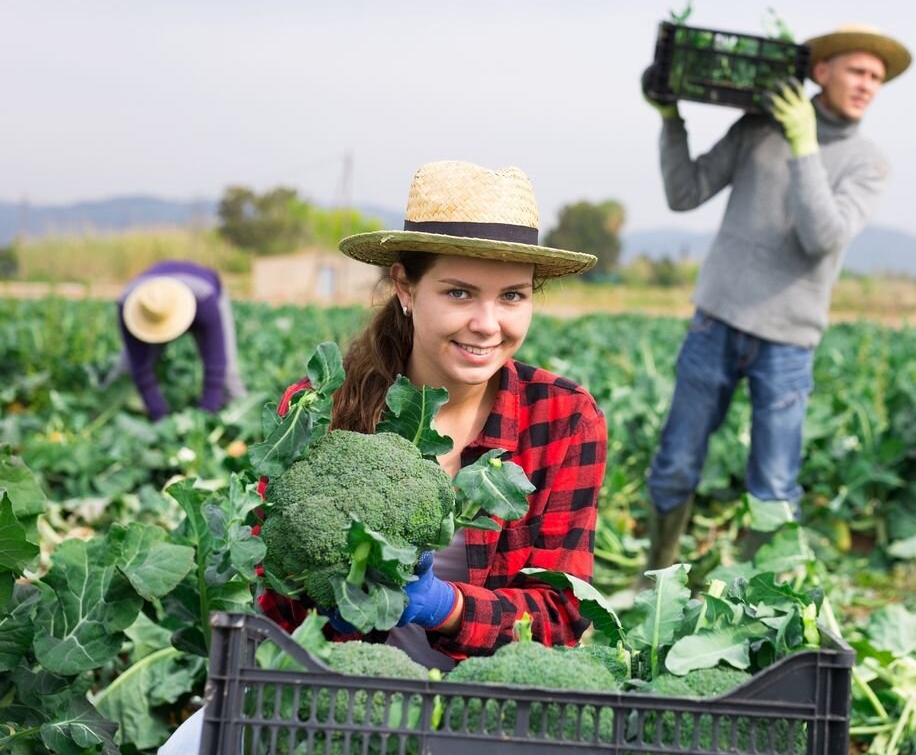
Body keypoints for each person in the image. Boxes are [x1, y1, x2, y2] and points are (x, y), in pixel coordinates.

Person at [158, 161, 605, 754]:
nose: (486, 324)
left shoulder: (563, 418)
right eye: (459, 292)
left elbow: (561, 618)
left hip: (486, 711)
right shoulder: (318, 409)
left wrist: (446, 606)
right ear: (405, 287)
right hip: (334, 688)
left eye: (512, 297)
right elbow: (274, 592)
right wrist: (323, 599)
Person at [640, 23, 912, 572]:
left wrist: (804, 143)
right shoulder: (758, 125)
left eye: (877, 78)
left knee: (773, 484)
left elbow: (822, 236)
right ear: (820, 71)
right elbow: (684, 192)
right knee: (675, 463)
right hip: (715, 322)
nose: (867, 85)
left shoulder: (869, 163)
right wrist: (671, 120)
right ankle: (657, 582)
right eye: (857, 71)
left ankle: (749, 609)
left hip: (788, 341)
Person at [112, 260, 247, 421]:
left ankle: (245, 420)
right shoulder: (129, 305)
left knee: (229, 375)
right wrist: (159, 417)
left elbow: (216, 366)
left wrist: (204, 418)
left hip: (203, 294)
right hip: (149, 305)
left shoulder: (205, 300)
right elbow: (140, 369)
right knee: (125, 371)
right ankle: (106, 412)